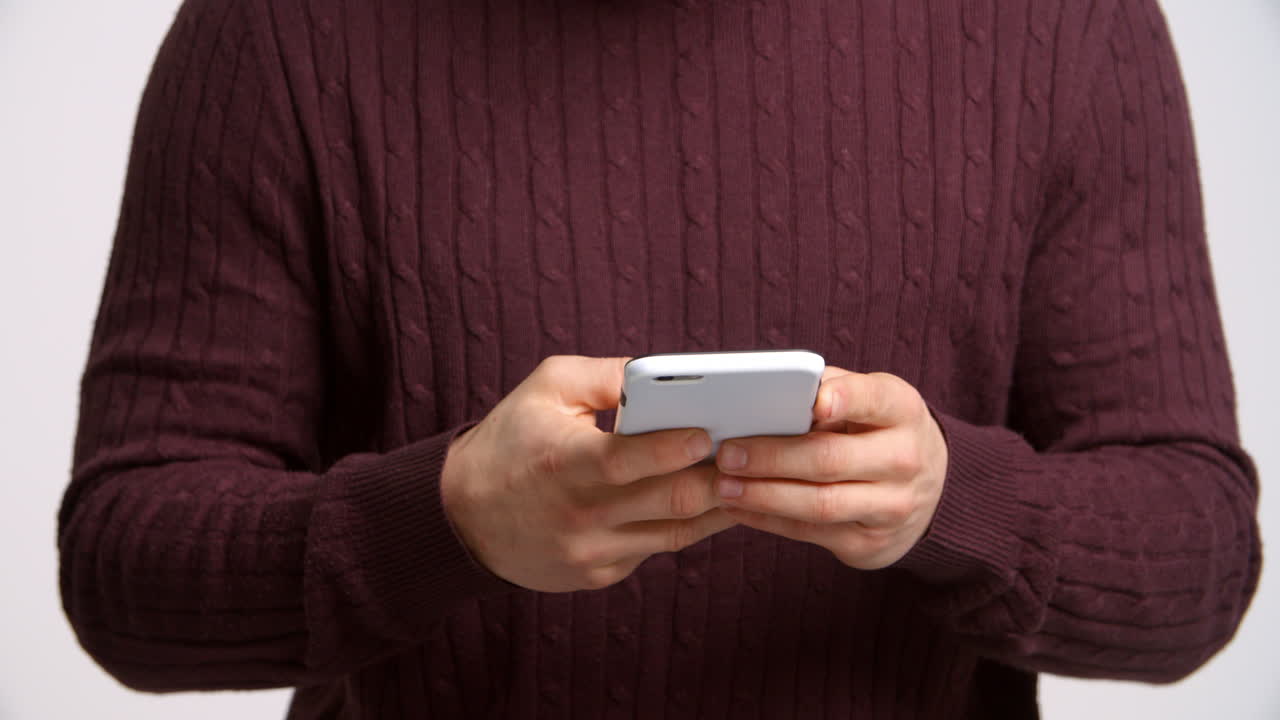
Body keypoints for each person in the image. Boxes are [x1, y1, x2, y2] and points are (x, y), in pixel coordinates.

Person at [59, 0, 1261, 717]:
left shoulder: (1062, 25)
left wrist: (957, 505)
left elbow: (1196, 562)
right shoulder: (279, 30)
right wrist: (446, 520)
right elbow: (125, 567)